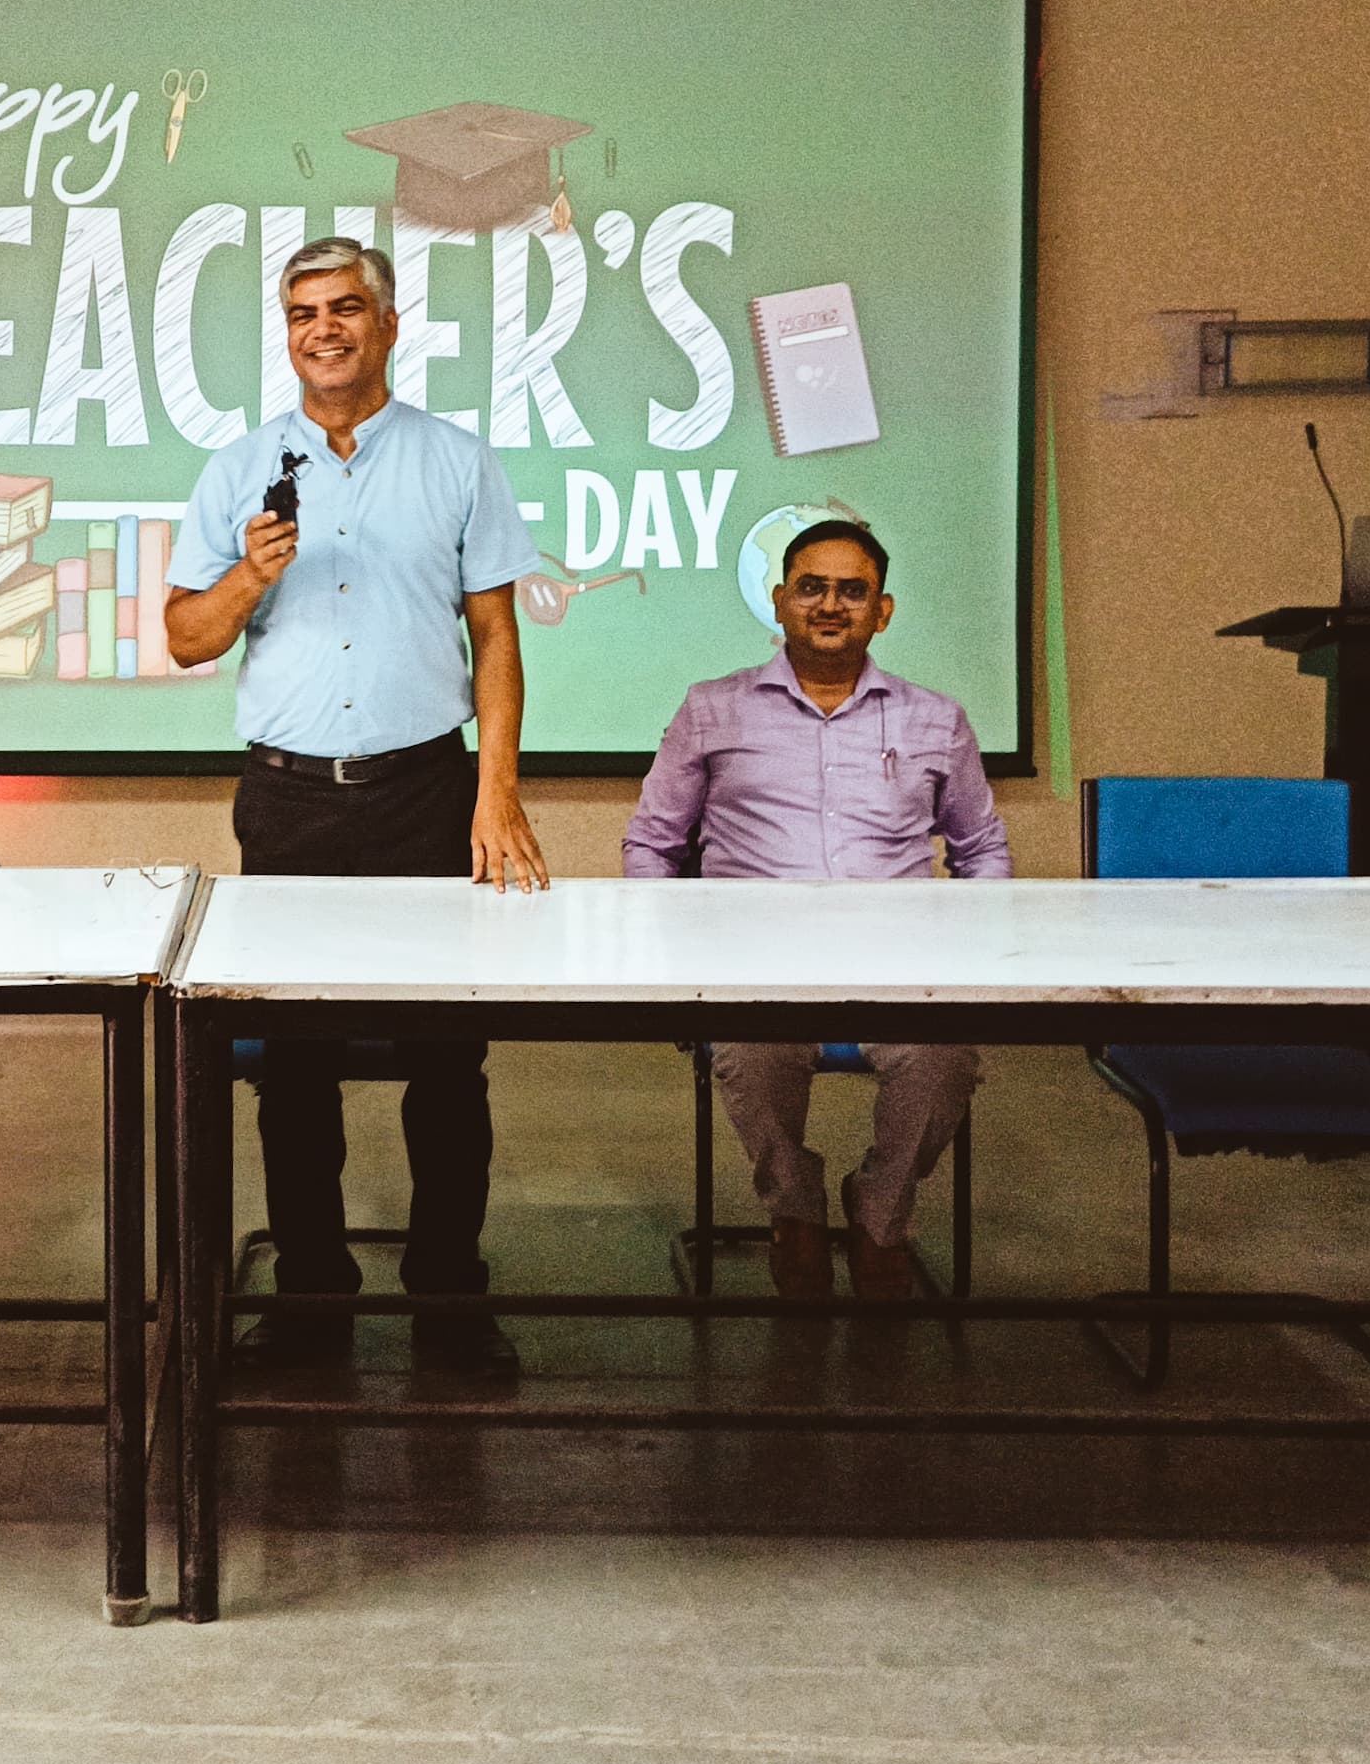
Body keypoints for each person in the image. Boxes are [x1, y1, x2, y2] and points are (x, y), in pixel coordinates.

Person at [165, 235, 546, 1376]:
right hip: (290, 800)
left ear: (386, 323)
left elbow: (495, 638)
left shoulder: (456, 460)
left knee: (447, 1060)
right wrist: (249, 575)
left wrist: (497, 792)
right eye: (301, 313)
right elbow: (184, 638)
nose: (321, 329)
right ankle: (311, 1296)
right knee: (294, 1066)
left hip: (425, 792)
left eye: (342, 309)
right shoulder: (239, 468)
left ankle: (448, 1294)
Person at [621, 519, 1012, 1300]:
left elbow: (982, 851)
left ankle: (880, 1213)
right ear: (778, 601)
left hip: (899, 962)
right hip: (754, 963)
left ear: (882, 610)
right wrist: (670, 963)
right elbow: (651, 845)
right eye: (811, 587)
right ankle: (794, 1210)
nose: (830, 605)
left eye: (851, 590)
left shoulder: (935, 720)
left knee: (942, 1056)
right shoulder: (710, 710)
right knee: (751, 1050)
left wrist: (977, 960)